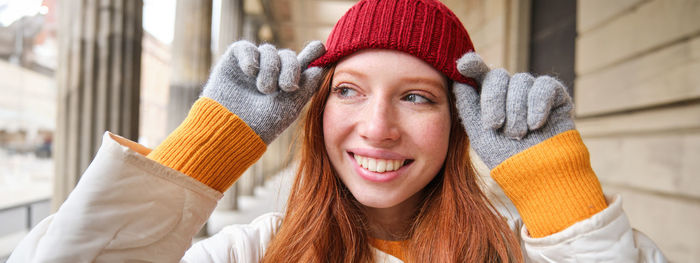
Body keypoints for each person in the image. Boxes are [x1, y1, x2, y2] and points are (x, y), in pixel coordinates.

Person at [9, 0, 667, 262]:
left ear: (460, 124)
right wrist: (207, 146)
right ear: (316, 110)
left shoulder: (513, 256)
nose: (376, 128)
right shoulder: (250, 253)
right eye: (347, 91)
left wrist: (559, 187)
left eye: (416, 96)